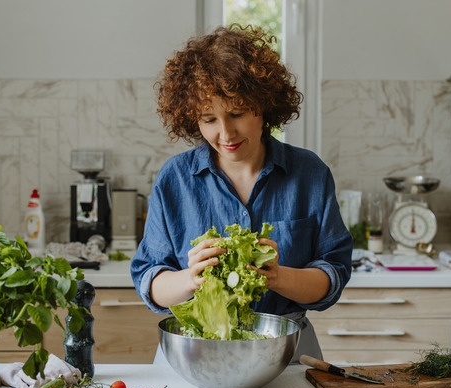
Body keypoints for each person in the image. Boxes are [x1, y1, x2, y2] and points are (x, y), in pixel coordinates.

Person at [131, 24, 353, 363]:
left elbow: (332, 276)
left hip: (286, 353)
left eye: (236, 113)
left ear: (263, 107)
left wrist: (279, 276)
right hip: (195, 352)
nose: (225, 133)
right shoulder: (175, 179)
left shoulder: (309, 173)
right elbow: (150, 280)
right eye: (208, 119)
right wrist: (190, 279)